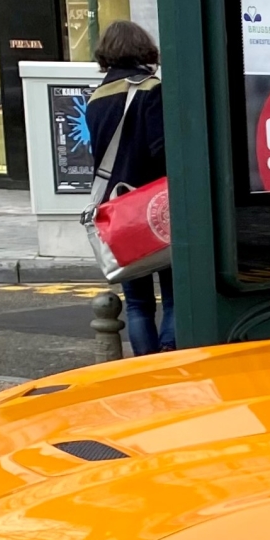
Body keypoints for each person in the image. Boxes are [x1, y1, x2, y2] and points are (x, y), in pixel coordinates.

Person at [83, 20, 173, 355]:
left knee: (138, 304)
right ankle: (168, 355)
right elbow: (161, 150)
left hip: (117, 213)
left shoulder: (96, 98)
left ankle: (144, 367)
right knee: (175, 297)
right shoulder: (151, 89)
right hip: (154, 207)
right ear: (143, 49)